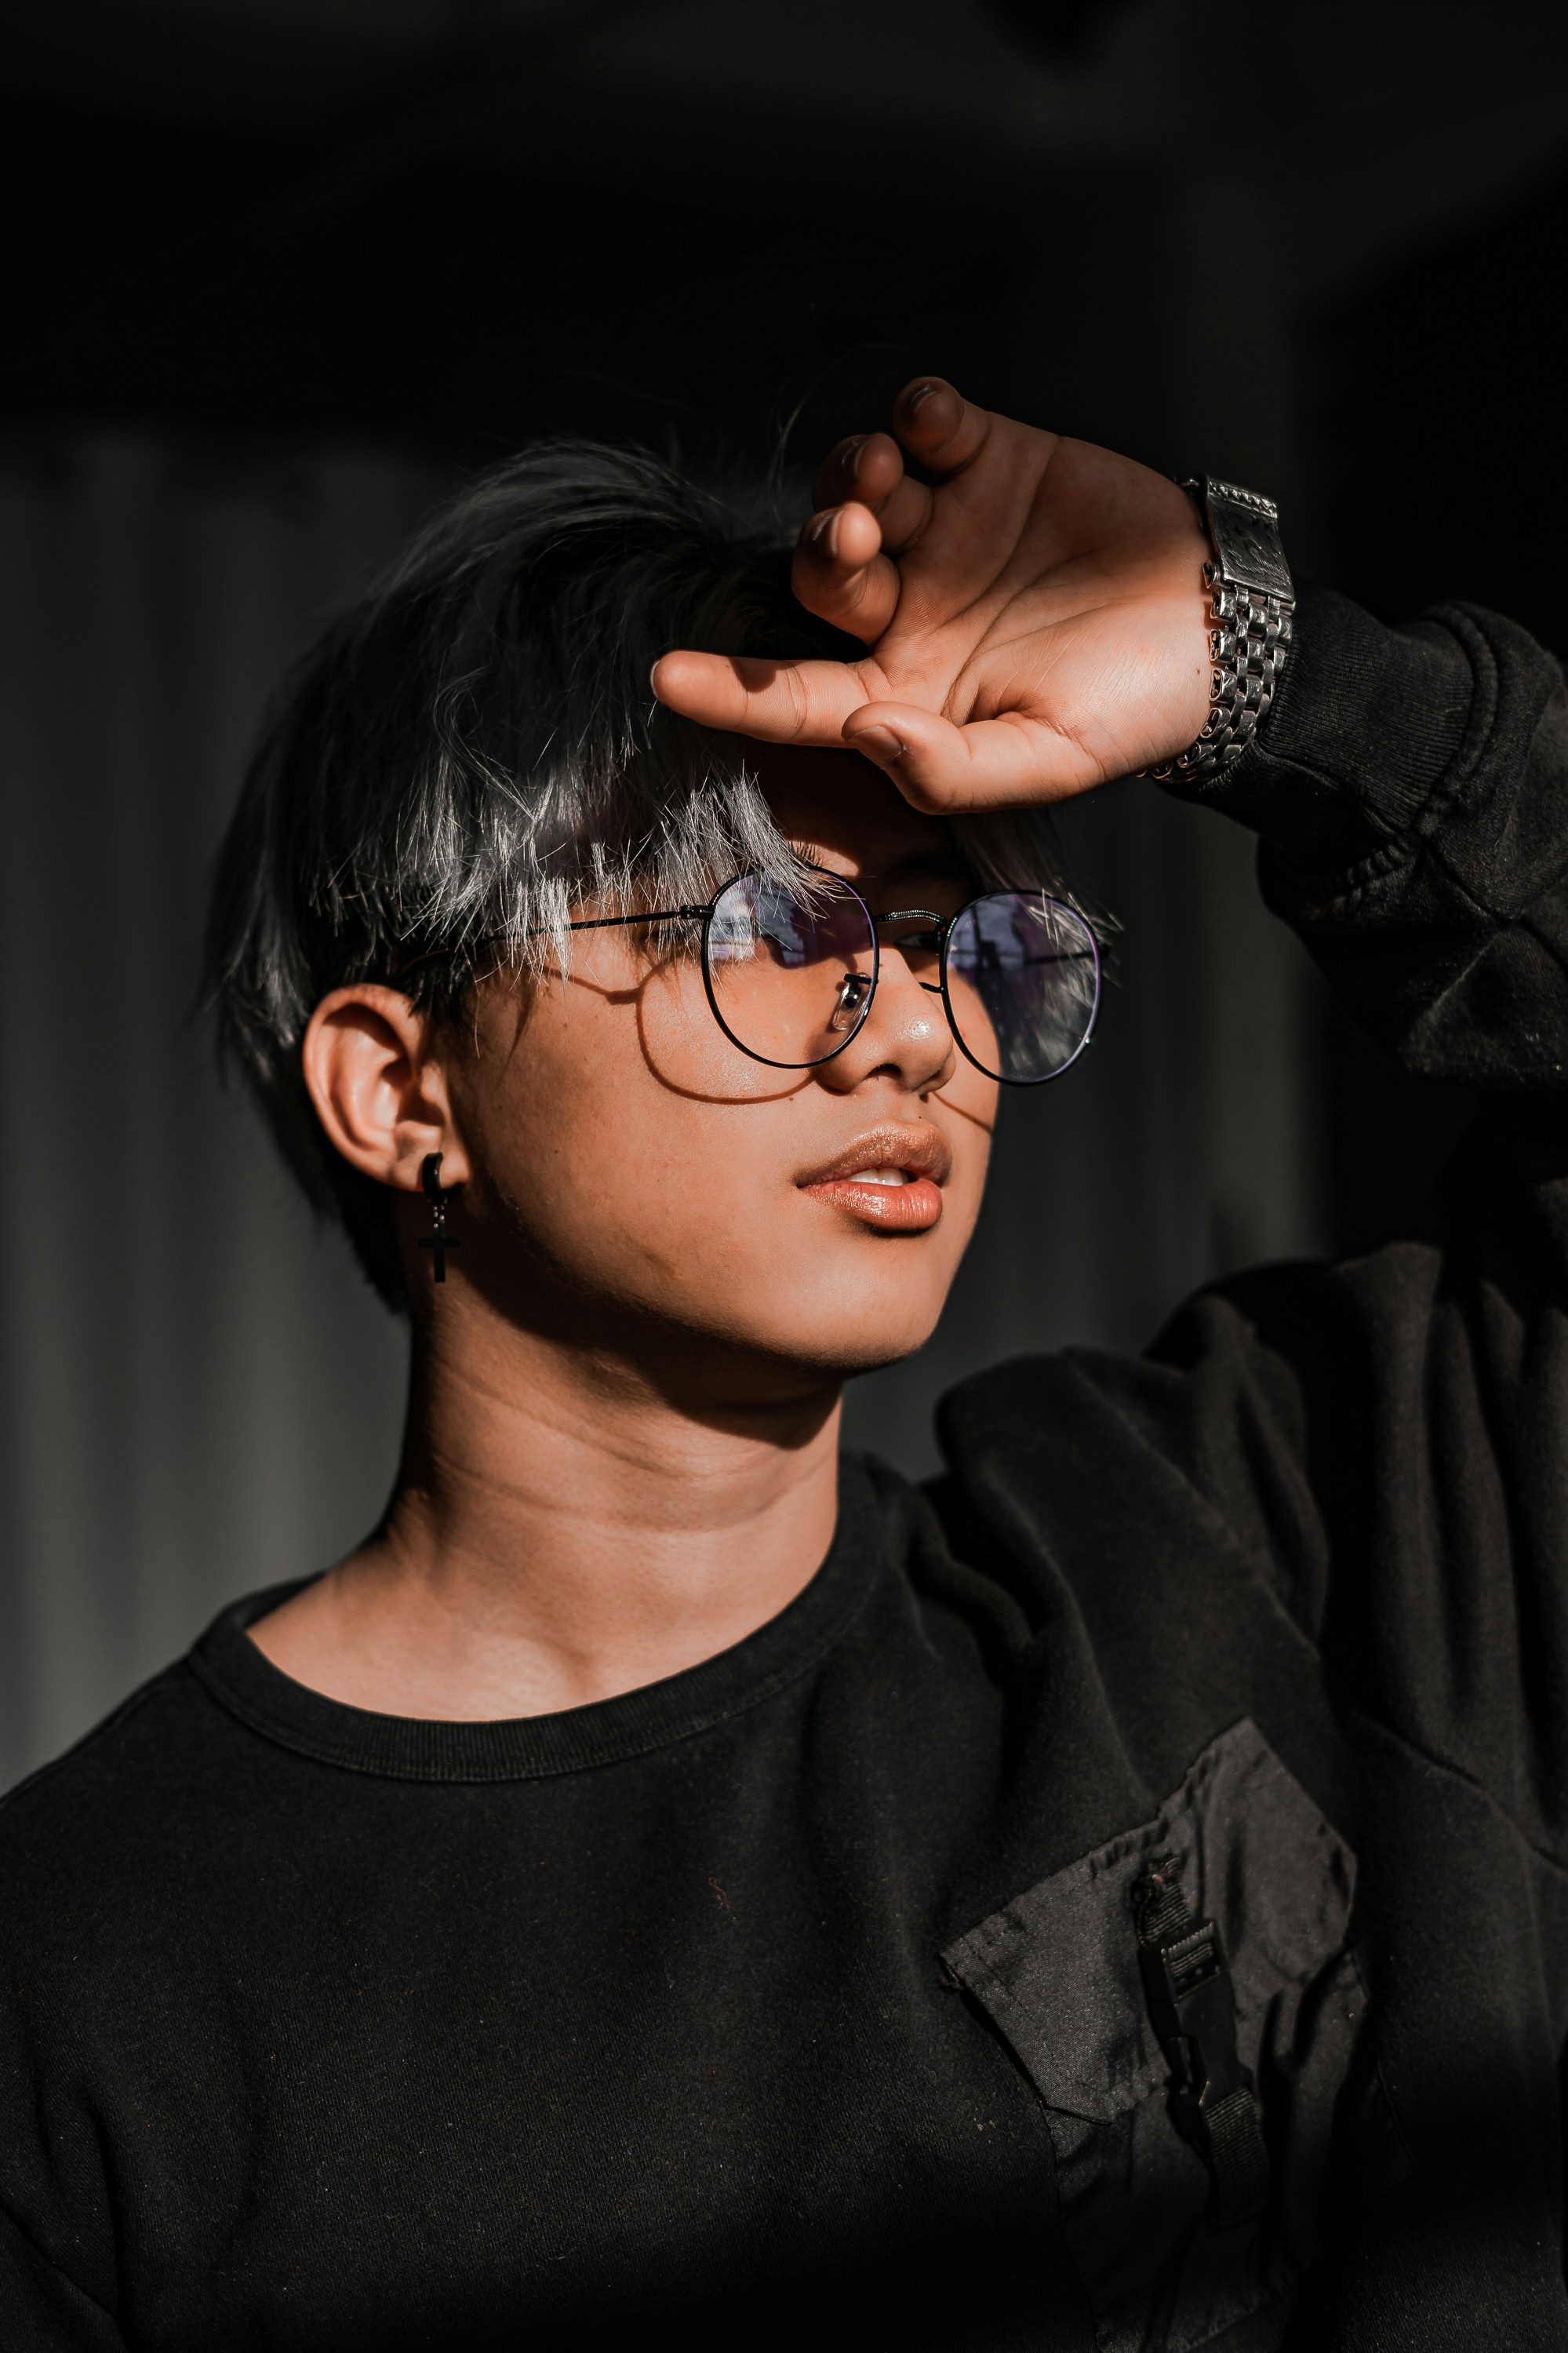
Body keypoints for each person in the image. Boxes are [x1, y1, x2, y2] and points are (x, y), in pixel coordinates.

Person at [2, 376, 1566, 2353]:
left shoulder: (1247, 1540)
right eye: (774, 924)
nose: (912, 1029)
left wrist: (1286, 687)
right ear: (403, 1091)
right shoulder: (92, 1981)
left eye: (955, 936)